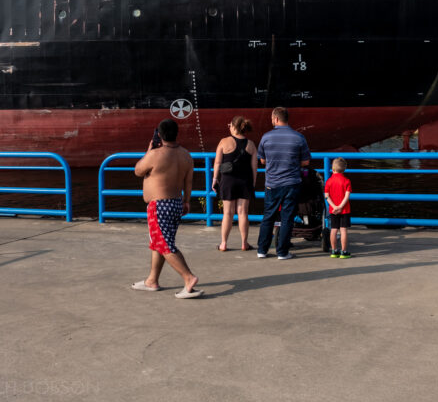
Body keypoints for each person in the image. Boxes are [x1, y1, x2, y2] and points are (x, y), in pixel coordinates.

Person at [132, 118, 203, 298]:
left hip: (159, 206)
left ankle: (188, 278)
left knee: (164, 244)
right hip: (176, 203)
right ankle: (152, 280)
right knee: (159, 243)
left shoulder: (155, 154)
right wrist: (186, 201)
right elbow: (188, 182)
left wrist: (149, 150)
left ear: (160, 135)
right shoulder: (186, 155)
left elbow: (138, 170)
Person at [257, 107, 311, 260]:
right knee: (287, 218)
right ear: (287, 119)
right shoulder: (298, 137)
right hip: (292, 183)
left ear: (275, 119)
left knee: (268, 216)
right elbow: (306, 161)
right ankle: (282, 252)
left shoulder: (266, 137)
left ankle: (262, 250)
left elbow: (262, 160)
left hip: (272, 184)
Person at [212, 116, 258, 252]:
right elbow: (254, 167)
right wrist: (253, 183)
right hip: (245, 181)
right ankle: (244, 243)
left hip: (228, 180)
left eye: (230, 125)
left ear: (234, 126)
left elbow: (217, 163)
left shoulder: (224, 142)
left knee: (227, 213)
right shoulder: (251, 144)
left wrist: (215, 179)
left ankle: (223, 244)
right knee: (243, 213)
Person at [324, 157, 352, 259]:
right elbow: (347, 196)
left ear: (332, 168)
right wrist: (340, 206)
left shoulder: (329, 181)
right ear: (344, 168)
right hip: (344, 209)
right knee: (343, 230)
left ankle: (334, 251)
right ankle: (344, 252)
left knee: (334, 229)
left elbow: (326, 196)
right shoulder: (346, 181)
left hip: (333, 209)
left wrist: (334, 206)